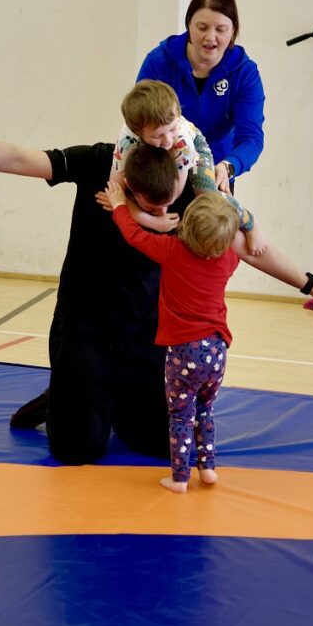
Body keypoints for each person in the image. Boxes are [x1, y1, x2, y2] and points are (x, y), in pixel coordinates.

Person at [0, 138, 313, 467]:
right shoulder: (98, 163)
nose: (163, 213)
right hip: (85, 327)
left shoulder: (190, 185)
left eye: (170, 203)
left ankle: (101, 397)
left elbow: (246, 246)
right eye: (150, 206)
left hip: (148, 335)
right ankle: (62, 394)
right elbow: (24, 160)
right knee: (78, 452)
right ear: (126, 183)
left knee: (157, 446)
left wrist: (310, 284)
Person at [106, 183, 243, 494]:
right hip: (218, 349)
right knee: (205, 410)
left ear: (186, 227)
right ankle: (207, 468)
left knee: (180, 415)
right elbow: (238, 234)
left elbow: (135, 236)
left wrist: (118, 205)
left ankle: (179, 478)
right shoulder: (228, 259)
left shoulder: (173, 252)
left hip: (185, 351)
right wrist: (251, 228)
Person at [111, 79, 265, 255]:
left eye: (172, 128)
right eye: (158, 135)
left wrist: (155, 213)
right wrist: (152, 221)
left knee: (207, 196)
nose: (168, 140)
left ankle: (249, 221)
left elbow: (174, 192)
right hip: (153, 150)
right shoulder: (127, 140)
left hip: (194, 147)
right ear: (138, 132)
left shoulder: (181, 141)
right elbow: (114, 191)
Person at [137, 0, 264, 193]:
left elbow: (251, 138)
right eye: (202, 27)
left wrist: (228, 166)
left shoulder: (244, 73)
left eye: (220, 30)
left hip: (214, 171)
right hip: (162, 167)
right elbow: (139, 120)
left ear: (233, 31)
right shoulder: (159, 62)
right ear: (189, 25)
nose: (210, 37)